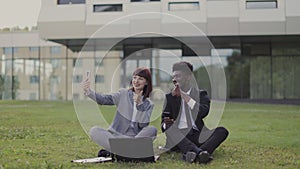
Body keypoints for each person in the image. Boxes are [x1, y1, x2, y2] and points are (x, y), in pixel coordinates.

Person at [161, 61, 228, 164]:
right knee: (170, 127)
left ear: (188, 77)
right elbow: (163, 124)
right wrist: (166, 123)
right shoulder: (169, 97)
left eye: (178, 76)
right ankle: (200, 153)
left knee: (222, 131)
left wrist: (184, 96)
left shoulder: (201, 94)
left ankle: (190, 154)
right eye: (173, 76)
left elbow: (203, 112)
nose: (174, 79)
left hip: (197, 135)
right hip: (178, 136)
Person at [81, 67, 157, 158]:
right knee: (94, 130)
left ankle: (119, 151)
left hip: (135, 138)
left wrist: (140, 104)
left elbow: (143, 125)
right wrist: (88, 91)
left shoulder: (148, 104)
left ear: (147, 82)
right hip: (117, 137)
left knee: (152, 129)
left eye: (140, 79)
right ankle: (129, 151)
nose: (136, 81)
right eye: (134, 78)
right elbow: (103, 100)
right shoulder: (123, 94)